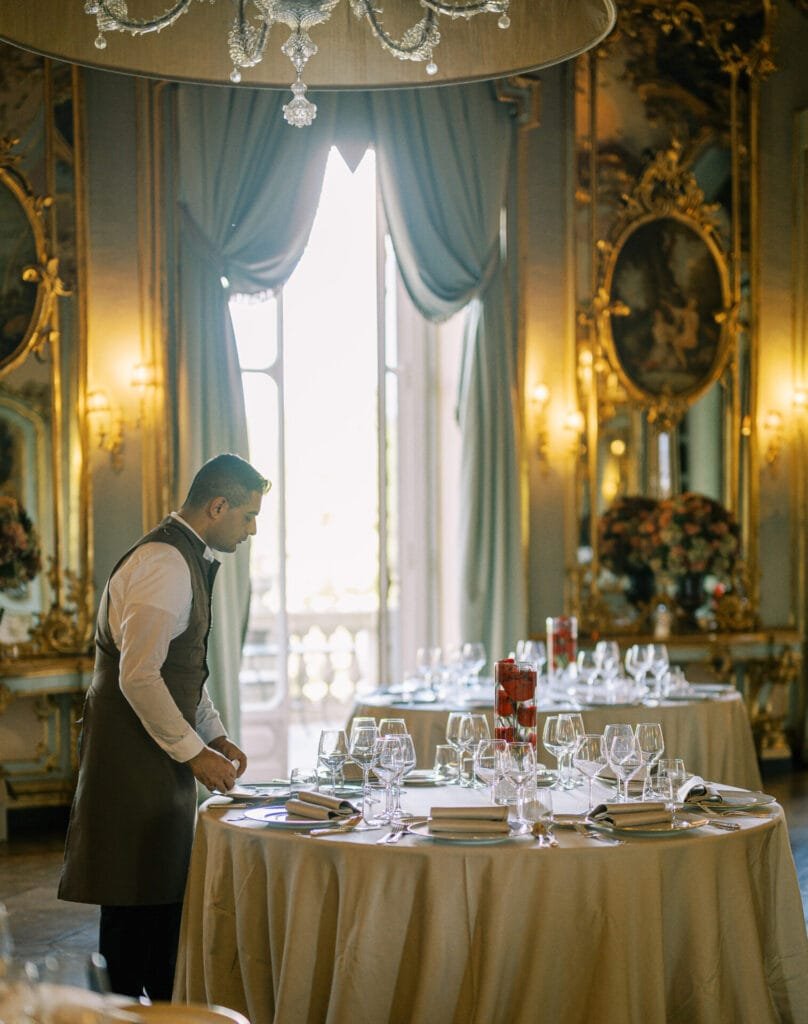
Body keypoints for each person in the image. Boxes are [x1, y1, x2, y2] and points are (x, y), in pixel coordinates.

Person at [58, 453, 269, 1000]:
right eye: (247, 516)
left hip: (157, 757)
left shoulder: (183, 560)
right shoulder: (164, 564)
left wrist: (214, 733)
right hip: (131, 762)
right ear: (217, 505)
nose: (251, 530)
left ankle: (159, 1010)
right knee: (132, 911)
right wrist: (195, 754)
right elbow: (139, 676)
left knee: (158, 904)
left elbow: (182, 671)